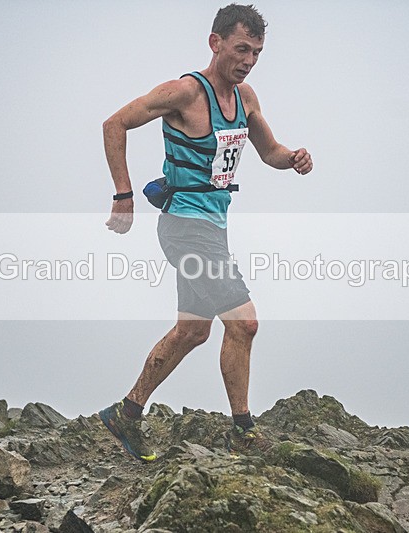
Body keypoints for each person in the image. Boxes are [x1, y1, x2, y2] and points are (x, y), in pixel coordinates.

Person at [98, 3, 313, 462]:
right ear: (215, 43)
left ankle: (126, 413)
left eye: (256, 52)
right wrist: (123, 195)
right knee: (244, 322)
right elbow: (114, 123)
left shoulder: (247, 98)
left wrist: (293, 157)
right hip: (183, 228)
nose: (249, 60)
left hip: (214, 230)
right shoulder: (184, 93)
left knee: (192, 332)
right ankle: (243, 431)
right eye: (241, 49)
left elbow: (269, 151)